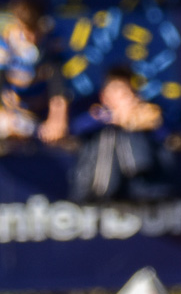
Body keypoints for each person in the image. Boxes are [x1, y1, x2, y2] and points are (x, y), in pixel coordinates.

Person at [69, 64, 173, 202]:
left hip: (143, 196)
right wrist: (115, 118)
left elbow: (167, 136)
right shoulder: (97, 117)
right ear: (105, 96)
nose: (129, 98)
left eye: (131, 92)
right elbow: (77, 128)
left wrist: (139, 123)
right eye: (122, 93)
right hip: (97, 194)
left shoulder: (149, 116)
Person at [0, 0, 68, 144]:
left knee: (61, 131)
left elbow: (57, 83)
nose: (32, 37)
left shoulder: (50, 41)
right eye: (26, 29)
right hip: (18, 111)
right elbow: (0, 85)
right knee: (3, 127)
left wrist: (57, 118)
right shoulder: (4, 43)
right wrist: (4, 111)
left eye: (35, 29)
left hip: (44, 109)